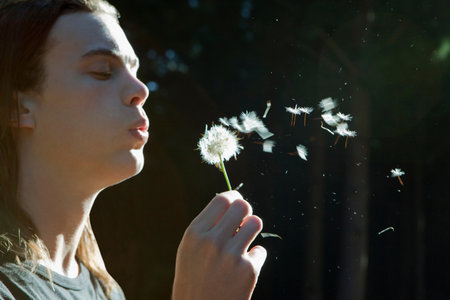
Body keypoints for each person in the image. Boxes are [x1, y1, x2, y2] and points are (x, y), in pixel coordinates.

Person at [0, 0, 266, 299]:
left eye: (134, 70)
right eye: (102, 71)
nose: (141, 89)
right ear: (18, 106)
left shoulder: (106, 291)